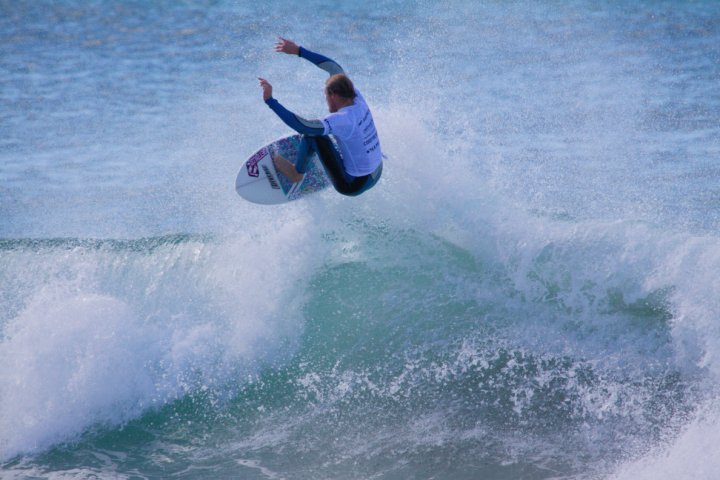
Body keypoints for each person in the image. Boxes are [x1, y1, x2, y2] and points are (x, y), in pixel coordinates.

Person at [258, 37, 383, 197]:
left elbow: (303, 127)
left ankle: (296, 173)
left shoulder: (344, 119)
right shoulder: (356, 97)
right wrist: (298, 51)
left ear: (333, 95)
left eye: (326, 95)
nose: (326, 100)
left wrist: (270, 101)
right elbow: (334, 67)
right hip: (376, 172)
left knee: (313, 134)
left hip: (352, 185)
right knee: (327, 130)